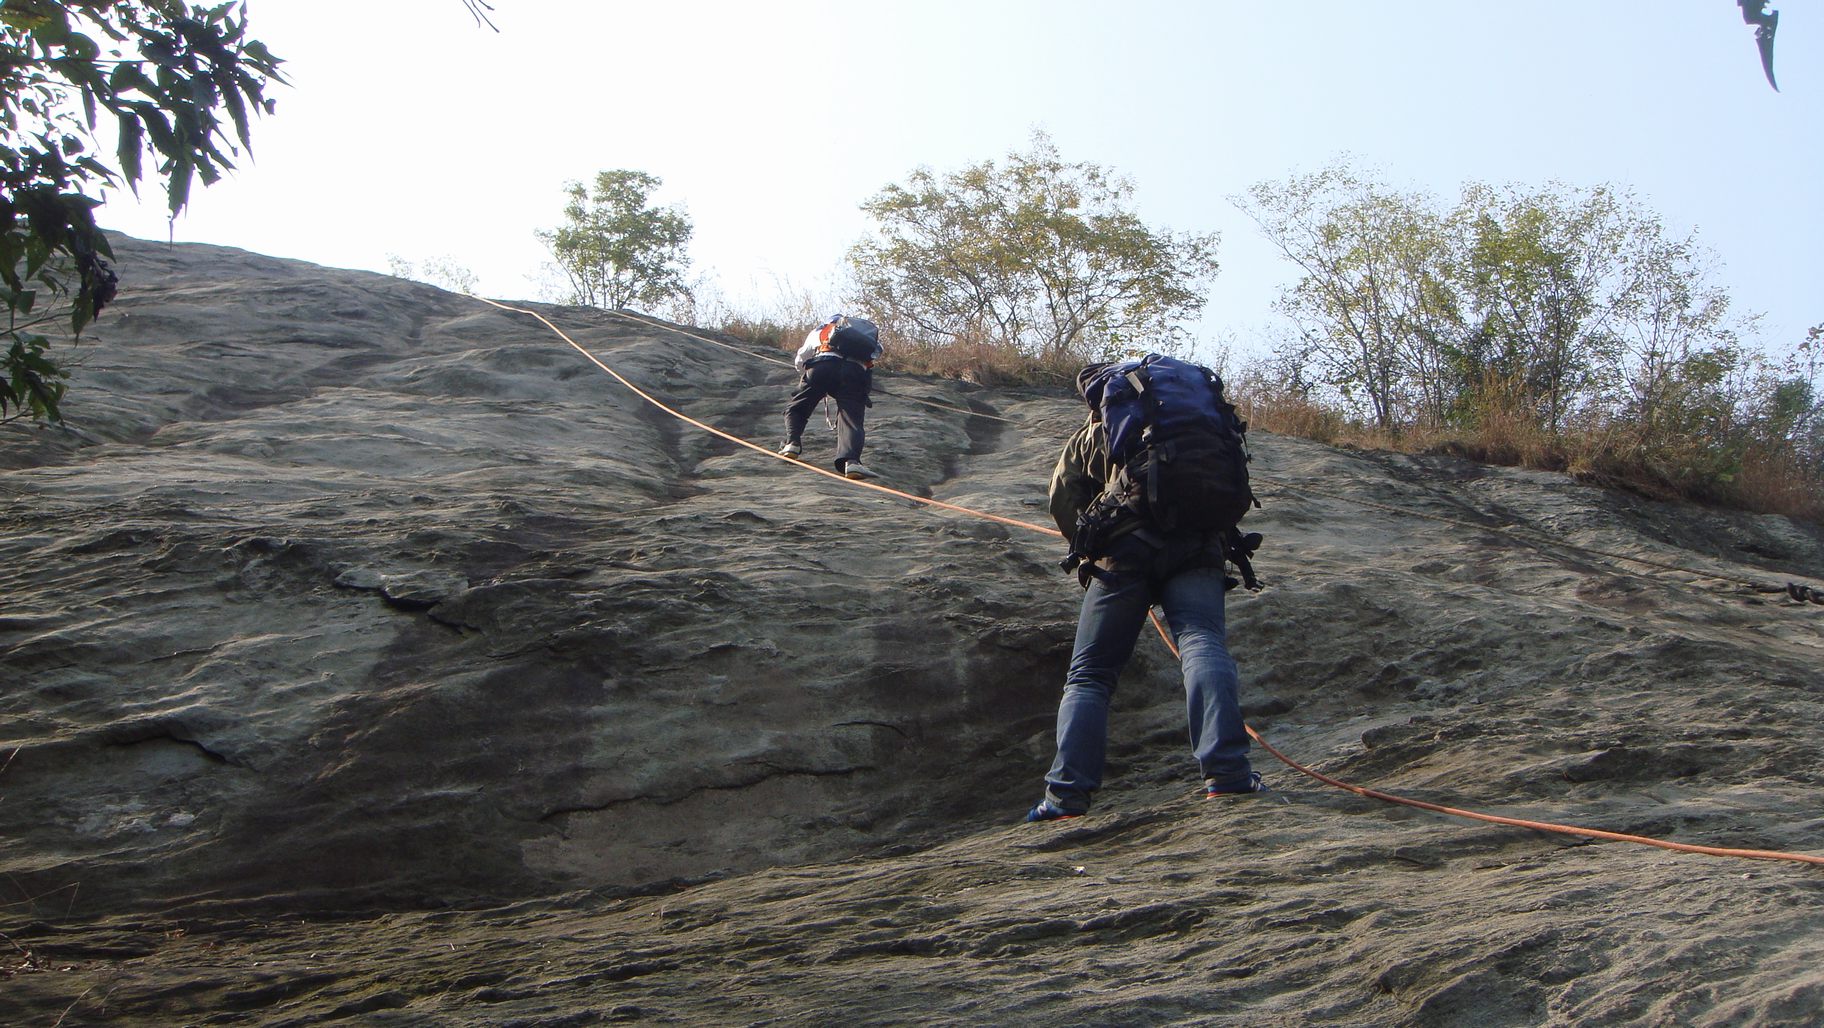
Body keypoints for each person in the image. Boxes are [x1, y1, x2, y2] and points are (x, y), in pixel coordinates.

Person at [1026, 361, 1265, 822]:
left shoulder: (1098, 430)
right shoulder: (1198, 422)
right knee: (1201, 642)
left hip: (1125, 555)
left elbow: (1063, 496)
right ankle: (1227, 773)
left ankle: (1065, 797)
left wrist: (1089, 544)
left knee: (1090, 675)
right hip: (1199, 545)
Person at [778, 314, 881, 480]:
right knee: (851, 419)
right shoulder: (864, 337)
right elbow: (874, 356)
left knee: (798, 408)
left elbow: (800, 360)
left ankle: (792, 444)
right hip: (855, 373)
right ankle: (852, 462)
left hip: (823, 366)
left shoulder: (822, 330)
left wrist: (807, 376)